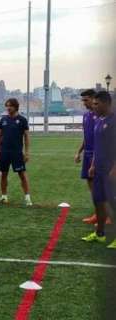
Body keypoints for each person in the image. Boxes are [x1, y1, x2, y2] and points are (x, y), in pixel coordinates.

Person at [81, 91, 116, 249]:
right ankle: (100, 234)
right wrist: (93, 165)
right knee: (99, 201)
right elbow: (98, 146)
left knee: (112, 203)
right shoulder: (98, 121)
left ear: (106, 103)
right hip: (99, 169)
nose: (93, 106)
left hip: (111, 170)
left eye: (96, 104)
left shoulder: (114, 121)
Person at [76, 90, 112, 225]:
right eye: (83, 100)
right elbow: (87, 137)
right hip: (89, 154)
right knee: (93, 189)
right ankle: (98, 214)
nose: (84, 103)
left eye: (86, 100)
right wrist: (79, 152)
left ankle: (109, 216)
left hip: (101, 157)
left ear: (93, 99)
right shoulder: (86, 116)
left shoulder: (102, 117)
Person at [0, 98, 32, 206]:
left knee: (22, 175)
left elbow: (26, 137)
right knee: (3, 175)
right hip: (4, 152)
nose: (8, 108)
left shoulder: (22, 120)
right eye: (7, 106)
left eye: (10, 106)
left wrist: (27, 152)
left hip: (17, 152)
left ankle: (27, 198)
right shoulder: (3, 120)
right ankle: (4, 197)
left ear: (15, 107)